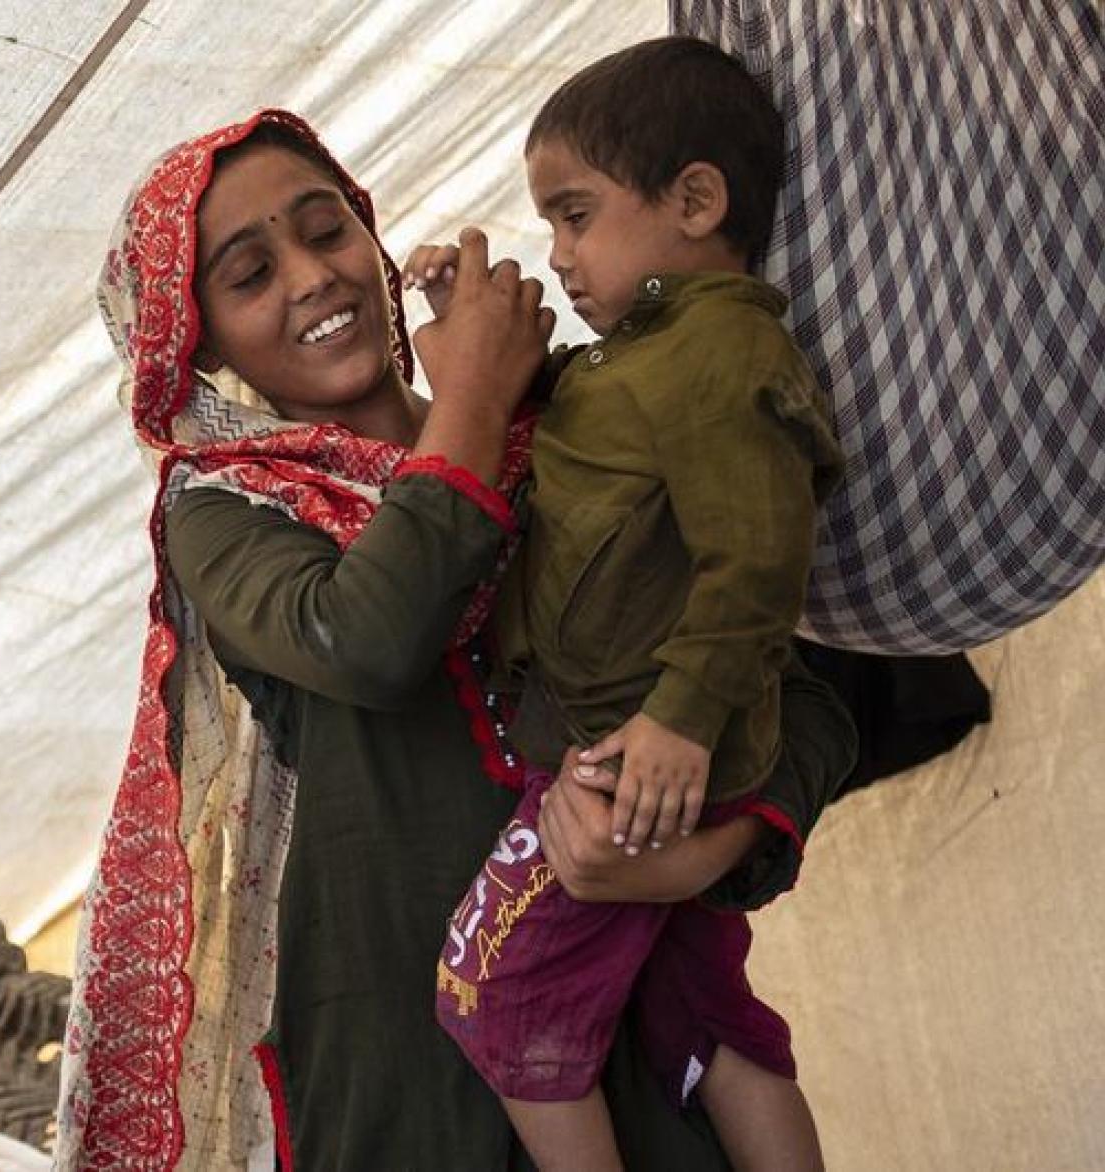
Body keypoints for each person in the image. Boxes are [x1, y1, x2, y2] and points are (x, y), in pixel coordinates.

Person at [55, 108, 856, 1172]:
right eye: (250, 274)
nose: (313, 277)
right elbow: (368, 638)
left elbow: (804, 694)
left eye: (327, 231)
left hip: (637, 1065)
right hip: (403, 1086)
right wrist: (473, 395)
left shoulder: (572, 432)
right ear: (202, 345)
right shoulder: (226, 512)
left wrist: (702, 854)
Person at [405, 38, 848, 1171]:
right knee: (705, 1015)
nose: (558, 256)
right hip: (649, 750)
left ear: (694, 201)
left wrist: (679, 720)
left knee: (487, 994)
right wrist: (479, 343)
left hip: (634, 757)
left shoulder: (723, 357)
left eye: (575, 215)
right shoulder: (643, 359)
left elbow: (756, 565)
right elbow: (585, 449)